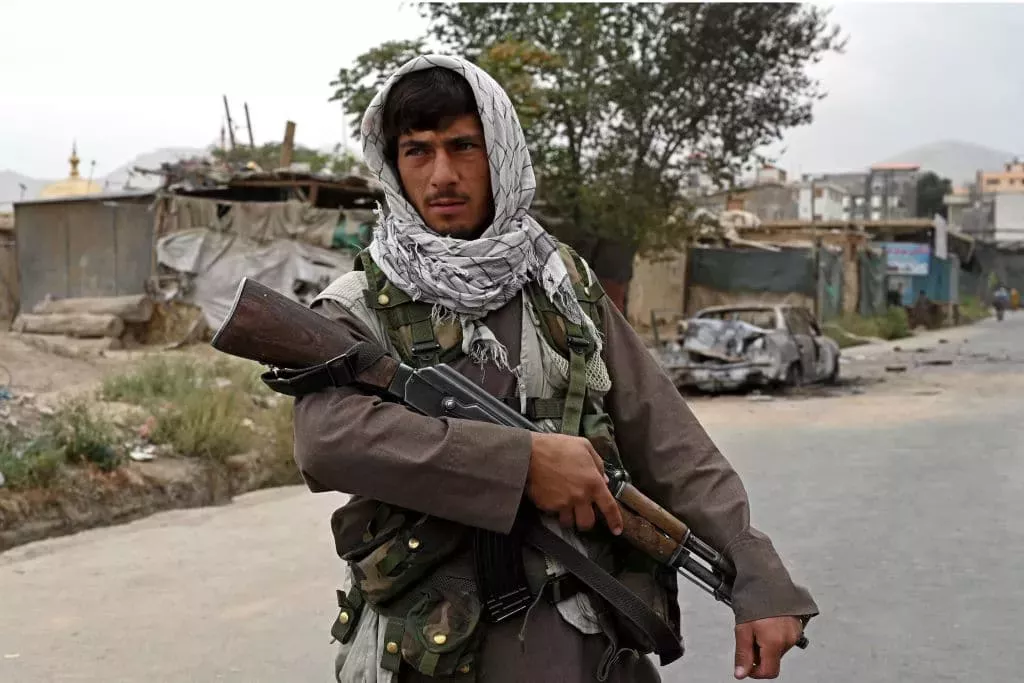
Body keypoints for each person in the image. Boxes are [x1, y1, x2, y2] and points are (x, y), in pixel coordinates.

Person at [292, 54, 818, 683]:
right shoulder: (357, 305)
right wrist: (523, 463)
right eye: (417, 151)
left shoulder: (561, 284)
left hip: (583, 641)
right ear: (392, 162)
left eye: (465, 147)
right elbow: (327, 440)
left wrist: (752, 567)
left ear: (502, 153)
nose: (442, 175)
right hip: (425, 652)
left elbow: (665, 437)